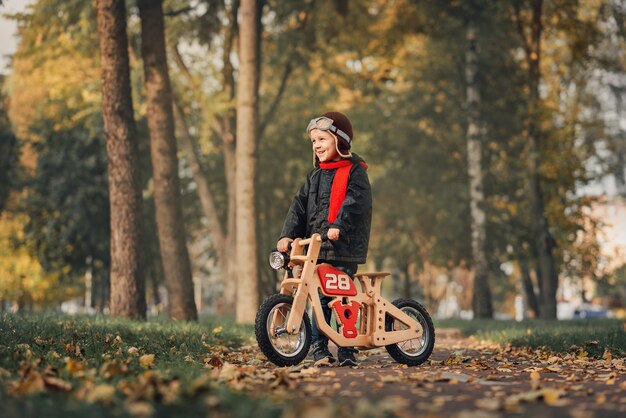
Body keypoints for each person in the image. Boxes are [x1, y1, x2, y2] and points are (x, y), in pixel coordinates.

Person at [276, 111, 372, 367]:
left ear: (340, 142)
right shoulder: (314, 176)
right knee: (318, 299)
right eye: (314, 141)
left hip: (343, 248)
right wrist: (287, 234)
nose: (317, 145)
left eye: (322, 139)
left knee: (341, 298)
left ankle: (347, 348)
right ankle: (319, 347)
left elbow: (356, 203)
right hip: (317, 249)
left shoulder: (355, 171)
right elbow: (299, 207)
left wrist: (339, 225)